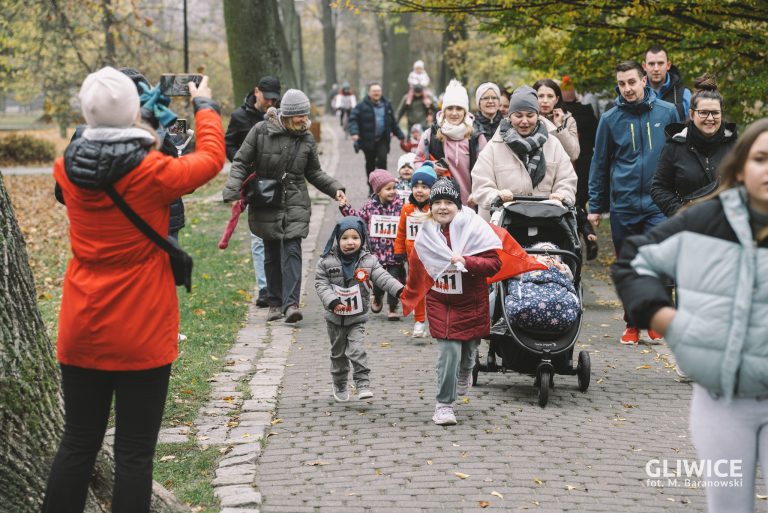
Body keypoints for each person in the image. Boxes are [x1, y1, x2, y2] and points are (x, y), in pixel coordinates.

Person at [43, 67, 225, 513]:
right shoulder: (153, 172)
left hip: (82, 325)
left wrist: (130, 121)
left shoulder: (66, 167)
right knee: (133, 453)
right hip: (141, 329)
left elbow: (103, 144)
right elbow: (211, 159)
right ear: (133, 112)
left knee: (78, 445)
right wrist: (204, 105)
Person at [611, 118, 768, 513]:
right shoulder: (704, 223)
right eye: (762, 158)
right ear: (740, 167)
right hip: (723, 402)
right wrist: (666, 319)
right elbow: (633, 262)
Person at [223, 89, 346, 323]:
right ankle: (275, 303)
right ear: (287, 115)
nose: (304, 119)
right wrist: (232, 190)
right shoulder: (260, 131)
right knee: (271, 252)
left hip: (295, 198)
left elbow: (314, 172)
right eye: (300, 115)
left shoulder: (306, 138)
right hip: (266, 198)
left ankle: (291, 305)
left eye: (305, 115)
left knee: (292, 250)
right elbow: (241, 161)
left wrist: (335, 189)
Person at [588, 60, 679, 345]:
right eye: (622, 84)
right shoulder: (610, 119)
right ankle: (632, 324)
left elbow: (679, 156)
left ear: (643, 80)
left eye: (631, 82)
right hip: (624, 205)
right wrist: (595, 206)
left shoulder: (668, 112)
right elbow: (599, 164)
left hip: (658, 204)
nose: (627, 88)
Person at [401, 179, 501, 425]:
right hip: (441, 299)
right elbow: (417, 266)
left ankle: (467, 370)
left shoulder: (475, 227)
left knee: (467, 352)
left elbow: (494, 264)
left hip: (471, 299)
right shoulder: (426, 233)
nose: (443, 208)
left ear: (458, 205)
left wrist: (466, 261)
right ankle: (444, 404)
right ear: (431, 207)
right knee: (449, 351)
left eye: (448, 202)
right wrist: (408, 294)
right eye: (437, 203)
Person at [315, 216, 404, 403]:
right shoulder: (326, 262)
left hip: (357, 318)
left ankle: (362, 383)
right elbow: (321, 285)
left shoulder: (369, 261)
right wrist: (332, 302)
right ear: (337, 240)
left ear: (362, 239)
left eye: (355, 238)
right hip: (334, 318)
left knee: (357, 349)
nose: (350, 242)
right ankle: (339, 383)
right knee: (338, 355)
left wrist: (401, 290)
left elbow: (384, 278)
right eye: (345, 238)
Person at [471, 85, 577, 221]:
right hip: (504, 228)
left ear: (538, 116)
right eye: (518, 115)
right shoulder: (494, 146)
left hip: (547, 224)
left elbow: (567, 179)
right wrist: (496, 196)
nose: (524, 121)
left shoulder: (554, 145)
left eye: (530, 115)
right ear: (510, 116)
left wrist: (562, 195)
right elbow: (480, 184)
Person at [224, 75, 281, 308]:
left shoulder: (279, 116)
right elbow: (228, 144)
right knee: (258, 237)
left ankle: (279, 286)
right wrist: (243, 160)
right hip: (252, 184)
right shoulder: (239, 117)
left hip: (276, 182)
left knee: (277, 236)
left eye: (274, 99)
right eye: (267, 98)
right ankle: (264, 288)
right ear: (256, 92)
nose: (270, 102)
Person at [652, 74, 737, 217]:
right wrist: (682, 214)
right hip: (690, 227)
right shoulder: (674, 146)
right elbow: (659, 188)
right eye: (703, 113)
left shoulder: (735, 146)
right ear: (691, 114)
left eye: (715, 113)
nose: (710, 118)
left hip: (729, 225)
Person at [339, 169, 404, 320]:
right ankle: (378, 295)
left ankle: (393, 307)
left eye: (394, 188)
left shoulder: (400, 205)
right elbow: (357, 219)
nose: (392, 192)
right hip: (376, 252)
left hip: (395, 252)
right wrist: (345, 207)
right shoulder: (370, 207)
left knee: (393, 280)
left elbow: (408, 221)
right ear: (378, 191)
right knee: (378, 280)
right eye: (388, 189)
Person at [414, 79, 486, 206]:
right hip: (440, 205)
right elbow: (417, 162)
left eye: (459, 108)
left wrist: (479, 194)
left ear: (465, 112)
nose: (454, 113)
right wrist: (430, 167)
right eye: (450, 108)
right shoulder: (430, 134)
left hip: (470, 204)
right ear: (443, 111)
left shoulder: (476, 137)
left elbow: (487, 170)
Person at [394, 163, 438, 338]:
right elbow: (401, 232)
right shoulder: (407, 209)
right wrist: (398, 251)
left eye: (425, 187)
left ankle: (435, 321)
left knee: (434, 291)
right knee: (417, 289)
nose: (419, 190)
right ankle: (419, 322)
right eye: (416, 187)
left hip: (433, 258)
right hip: (413, 259)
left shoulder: (434, 209)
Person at [560, 75, 600, 260]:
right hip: (585, 162)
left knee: (570, 203)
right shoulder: (587, 111)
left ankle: (575, 239)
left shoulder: (563, 114)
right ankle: (587, 235)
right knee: (579, 202)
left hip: (570, 163)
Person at [504, 242, 579, 333]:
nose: (548, 257)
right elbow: (514, 272)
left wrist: (560, 267)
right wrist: (533, 265)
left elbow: (569, 279)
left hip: (556, 289)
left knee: (565, 299)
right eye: (543, 254)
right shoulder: (528, 266)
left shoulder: (560, 268)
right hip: (530, 289)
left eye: (552, 256)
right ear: (534, 257)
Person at [349, 82, 405, 191]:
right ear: (369, 93)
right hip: (367, 140)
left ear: (381, 92)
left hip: (382, 139)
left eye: (378, 91)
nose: (376, 93)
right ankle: (371, 187)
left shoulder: (386, 104)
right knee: (370, 163)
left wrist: (400, 135)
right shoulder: (361, 106)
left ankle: (383, 186)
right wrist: (354, 133)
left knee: (382, 160)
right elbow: (353, 119)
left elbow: (393, 122)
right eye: (374, 91)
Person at [532, 78, 580, 162]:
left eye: (550, 96)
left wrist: (559, 127)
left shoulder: (568, 120)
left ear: (557, 99)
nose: (545, 101)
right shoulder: (526, 119)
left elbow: (574, 155)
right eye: (540, 96)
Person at [643, 44, 691, 121]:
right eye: (651, 64)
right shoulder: (636, 93)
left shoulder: (684, 94)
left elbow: (693, 128)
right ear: (644, 66)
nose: (656, 68)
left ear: (668, 65)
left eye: (660, 63)